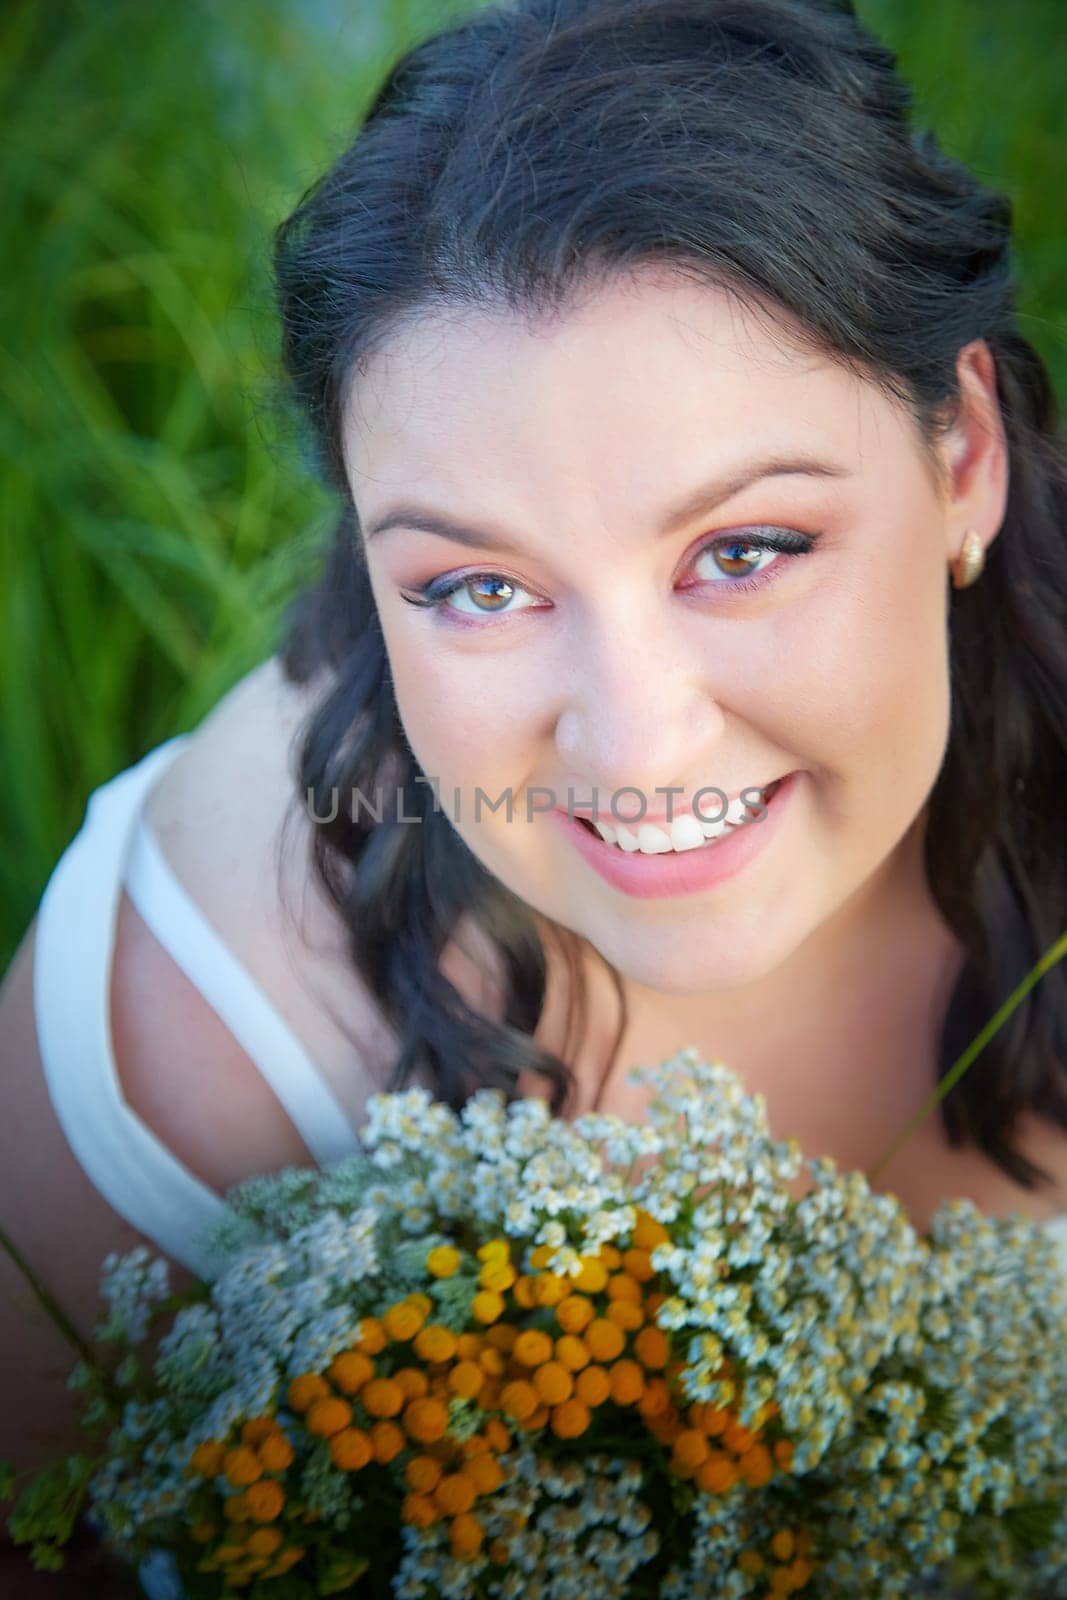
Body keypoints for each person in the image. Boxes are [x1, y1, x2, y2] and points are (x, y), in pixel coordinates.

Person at [3, 0, 1066, 1589]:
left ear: (963, 455)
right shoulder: (199, 1028)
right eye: (478, 588)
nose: (633, 749)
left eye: (745, 552)